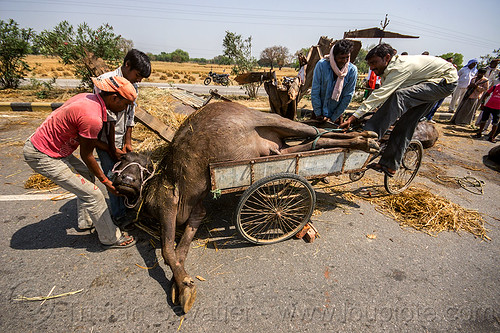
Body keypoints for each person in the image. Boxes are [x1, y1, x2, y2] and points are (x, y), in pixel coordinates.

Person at [23, 76, 138, 249]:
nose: (125, 108)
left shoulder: (89, 99)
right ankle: (110, 238)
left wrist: (108, 148)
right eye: (125, 104)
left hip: (51, 146)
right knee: (94, 194)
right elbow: (87, 155)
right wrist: (106, 182)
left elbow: (83, 138)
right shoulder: (93, 117)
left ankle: (86, 221)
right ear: (114, 98)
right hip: (42, 154)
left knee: (86, 175)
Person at [339, 43, 458, 176]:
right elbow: (384, 95)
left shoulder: (400, 67)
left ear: (387, 58)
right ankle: (390, 165)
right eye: (369, 64)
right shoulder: (388, 70)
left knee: (400, 95)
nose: (372, 68)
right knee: (406, 124)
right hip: (428, 81)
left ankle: (369, 135)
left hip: (443, 82)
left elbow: (381, 93)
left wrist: (354, 116)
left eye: (374, 63)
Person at [94, 49, 151, 225]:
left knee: (124, 173)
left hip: (119, 138)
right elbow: (107, 117)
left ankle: (125, 207)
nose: (139, 80)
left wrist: (127, 142)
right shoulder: (105, 81)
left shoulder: (133, 85)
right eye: (138, 74)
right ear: (127, 65)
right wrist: (112, 148)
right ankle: (118, 216)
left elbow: (130, 115)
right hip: (104, 139)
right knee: (112, 174)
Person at [310, 39, 358, 123]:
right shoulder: (322, 65)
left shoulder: (352, 70)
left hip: (336, 116)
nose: (344, 61)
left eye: (347, 57)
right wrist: (319, 114)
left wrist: (333, 118)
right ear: (333, 56)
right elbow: (315, 91)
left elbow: (348, 96)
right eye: (341, 58)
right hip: (318, 115)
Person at [424, 56, 457, 122]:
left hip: (444, 91)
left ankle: (430, 117)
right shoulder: (441, 69)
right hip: (437, 89)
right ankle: (425, 117)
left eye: (451, 62)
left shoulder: (451, 72)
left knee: (437, 105)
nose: (450, 63)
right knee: (432, 104)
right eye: (449, 61)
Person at [473, 72, 500, 142]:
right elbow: (486, 94)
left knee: (495, 123)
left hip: (498, 108)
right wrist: (482, 103)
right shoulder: (495, 86)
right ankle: (479, 133)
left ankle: (491, 137)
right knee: (484, 120)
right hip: (488, 106)